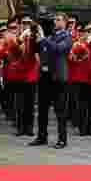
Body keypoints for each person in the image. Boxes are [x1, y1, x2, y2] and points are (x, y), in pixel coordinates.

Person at [32, 12, 73, 148]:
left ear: (65, 22)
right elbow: (40, 51)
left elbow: (59, 49)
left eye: (58, 19)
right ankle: (41, 137)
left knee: (60, 110)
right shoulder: (50, 36)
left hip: (58, 77)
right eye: (54, 19)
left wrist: (43, 39)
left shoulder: (67, 36)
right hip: (45, 76)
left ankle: (62, 139)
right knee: (42, 109)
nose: (55, 21)